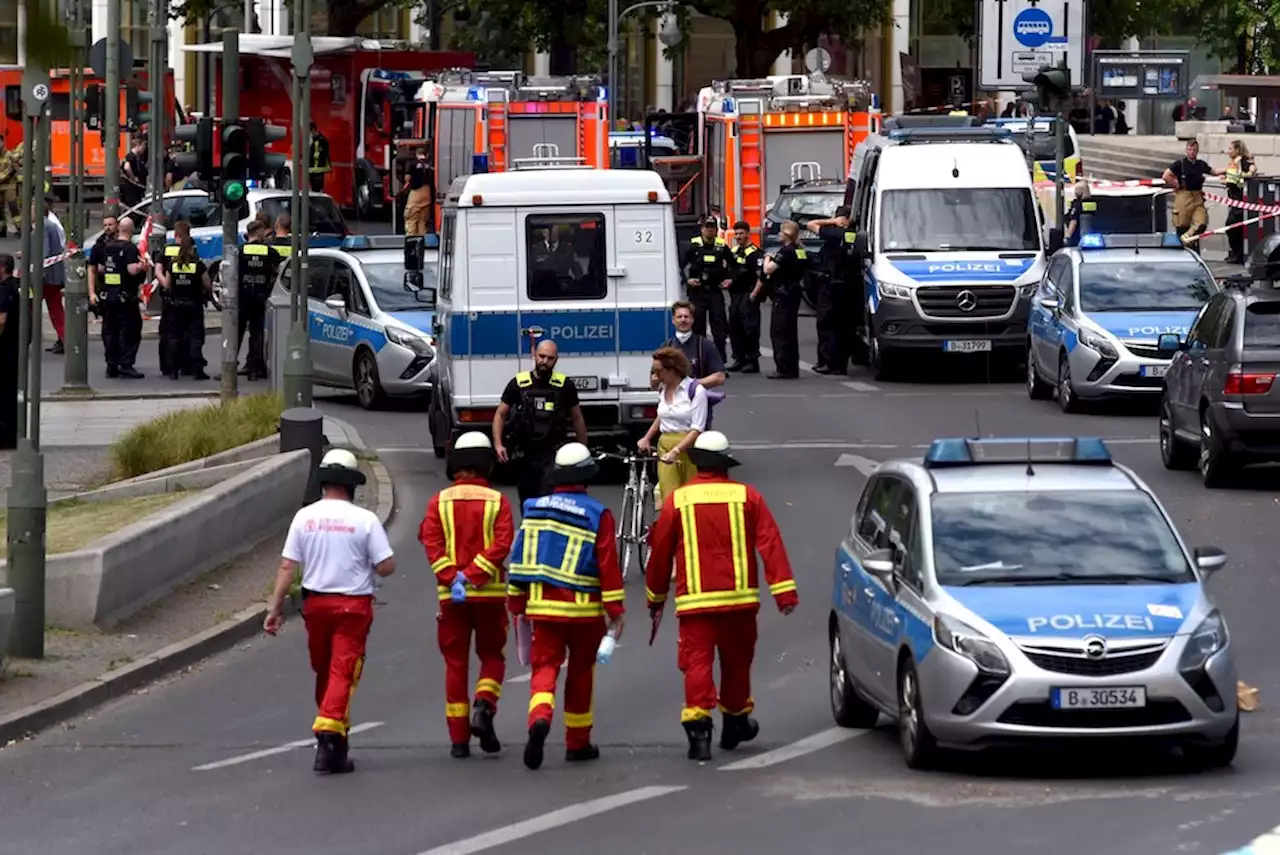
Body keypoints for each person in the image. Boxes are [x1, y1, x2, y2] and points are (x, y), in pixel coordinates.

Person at [644, 430, 798, 761]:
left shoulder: (679, 500)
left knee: (697, 664)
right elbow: (770, 543)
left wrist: (655, 597)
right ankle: (735, 722)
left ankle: (699, 735)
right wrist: (783, 593)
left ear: (698, 463)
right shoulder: (748, 497)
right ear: (726, 464)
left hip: (695, 603)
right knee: (737, 663)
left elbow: (659, 553)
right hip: (739, 601)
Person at [263, 449, 396, 775]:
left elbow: (286, 566)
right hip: (353, 606)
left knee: (325, 670)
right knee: (342, 671)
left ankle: (336, 739)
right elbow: (387, 565)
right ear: (351, 485)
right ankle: (328, 735)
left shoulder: (304, 517)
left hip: (316, 606)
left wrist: (274, 609)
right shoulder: (365, 520)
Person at [508, 442, 626, 770]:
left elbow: (519, 559)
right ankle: (577, 743)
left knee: (544, 669)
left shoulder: (534, 509)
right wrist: (615, 613)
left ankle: (539, 719)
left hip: (544, 608)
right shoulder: (598, 514)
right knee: (580, 673)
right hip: (585, 612)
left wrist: (517, 603)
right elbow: (608, 566)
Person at [418, 432, 515, 759]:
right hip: (489, 596)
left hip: (451, 598)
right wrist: (476, 574)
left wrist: (453, 577)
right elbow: (502, 544)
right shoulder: (498, 502)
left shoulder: (438, 501)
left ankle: (459, 740)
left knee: (455, 664)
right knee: (492, 657)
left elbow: (431, 543)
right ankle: (484, 706)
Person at [493, 340, 588, 502]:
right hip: (525, 454)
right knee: (527, 500)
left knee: (547, 498)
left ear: (556, 360)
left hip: (552, 454)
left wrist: (583, 450)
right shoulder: (519, 383)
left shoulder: (565, 385)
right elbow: (500, 414)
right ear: (534, 356)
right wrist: (498, 444)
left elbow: (577, 418)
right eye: (541, 356)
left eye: (549, 358)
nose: (544, 361)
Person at [637, 346, 707, 505]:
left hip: (688, 447)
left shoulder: (695, 390)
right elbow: (662, 416)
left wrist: (676, 451)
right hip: (665, 445)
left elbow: (697, 428)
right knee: (668, 498)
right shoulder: (664, 388)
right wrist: (647, 438)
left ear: (672, 369)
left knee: (689, 497)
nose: (655, 376)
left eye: (658, 371)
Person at [806, 205, 865, 373]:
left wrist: (832, 221)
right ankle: (840, 364)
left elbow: (811, 224)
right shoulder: (856, 235)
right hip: (851, 286)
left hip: (832, 285)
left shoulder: (835, 234)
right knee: (846, 327)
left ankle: (828, 362)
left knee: (826, 324)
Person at [88, 214, 147, 379]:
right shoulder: (129, 248)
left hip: (109, 296)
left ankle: (111, 364)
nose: (107, 228)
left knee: (110, 331)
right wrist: (142, 266)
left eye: (110, 224)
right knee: (130, 330)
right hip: (125, 297)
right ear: (131, 230)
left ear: (118, 228)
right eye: (105, 224)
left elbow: (99, 268)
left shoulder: (105, 247)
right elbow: (130, 270)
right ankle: (126, 364)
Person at [153, 221, 210, 381]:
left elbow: (159, 271)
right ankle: (192, 367)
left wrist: (166, 286)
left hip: (173, 302)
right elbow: (206, 282)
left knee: (171, 335)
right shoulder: (195, 259)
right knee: (194, 336)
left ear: (176, 234)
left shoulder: (168, 253)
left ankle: (170, 368)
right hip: (193, 303)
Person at [753, 221, 807, 380]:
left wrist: (768, 258)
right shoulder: (800, 251)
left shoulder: (786, 251)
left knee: (779, 332)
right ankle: (791, 367)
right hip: (794, 293)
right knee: (790, 332)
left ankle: (783, 367)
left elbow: (768, 269)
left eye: (781, 232)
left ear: (786, 234)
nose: (779, 235)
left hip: (783, 295)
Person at [681, 217, 733, 362]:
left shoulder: (721, 246)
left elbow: (734, 266)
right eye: (707, 227)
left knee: (720, 329)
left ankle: (720, 362)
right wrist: (687, 280)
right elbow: (680, 266)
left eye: (712, 227)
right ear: (702, 228)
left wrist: (729, 279)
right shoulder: (692, 246)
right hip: (698, 292)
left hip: (715, 291)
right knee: (698, 329)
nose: (710, 229)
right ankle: (699, 362)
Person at [237, 219, 280, 379]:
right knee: (256, 333)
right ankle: (254, 369)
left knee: (237, 332)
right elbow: (277, 272)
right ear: (260, 232)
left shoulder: (239, 251)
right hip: (260, 296)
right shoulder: (270, 252)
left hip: (241, 296)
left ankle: (230, 364)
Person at [1161, 140, 1225, 247]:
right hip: (1184, 196)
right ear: (1186, 150)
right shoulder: (1180, 164)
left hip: (1197, 197)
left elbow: (1214, 171)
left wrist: (1227, 170)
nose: (1192, 152)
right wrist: (1176, 184)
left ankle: (1187, 239)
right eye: (1190, 150)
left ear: (1197, 151)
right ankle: (1184, 246)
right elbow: (1166, 175)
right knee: (1182, 224)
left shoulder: (1201, 164)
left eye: (1194, 150)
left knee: (1201, 222)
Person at [663, 299, 726, 393]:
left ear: (692, 319)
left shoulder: (705, 345)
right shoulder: (665, 347)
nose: (683, 320)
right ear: (673, 320)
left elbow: (720, 377)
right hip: (673, 403)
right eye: (679, 317)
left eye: (686, 317)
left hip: (698, 401)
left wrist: (692, 385)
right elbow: (654, 379)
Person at [726, 222, 762, 374]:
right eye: (736, 234)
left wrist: (754, 294)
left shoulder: (755, 253)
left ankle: (751, 360)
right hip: (735, 295)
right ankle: (738, 358)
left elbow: (761, 276)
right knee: (735, 328)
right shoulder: (733, 251)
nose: (738, 237)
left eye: (741, 233)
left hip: (748, 294)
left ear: (748, 233)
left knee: (750, 328)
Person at [1224, 139, 1257, 265]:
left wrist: (1244, 175)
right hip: (1234, 199)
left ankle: (1238, 254)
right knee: (1235, 228)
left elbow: (1252, 169)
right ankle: (1236, 253)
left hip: (1240, 200)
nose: (1228, 151)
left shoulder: (1243, 160)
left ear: (1237, 150)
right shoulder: (1234, 162)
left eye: (1231, 149)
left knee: (1232, 227)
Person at [42, 196, 66, 354]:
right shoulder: (51, 222)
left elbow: (44, 252)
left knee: (27, 307)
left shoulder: (45, 225)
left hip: (46, 277)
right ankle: (65, 339)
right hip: (53, 275)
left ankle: (22, 338)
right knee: (56, 309)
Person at [0, 254, 18, 450]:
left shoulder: (4, 291)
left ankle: (4, 435)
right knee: (10, 393)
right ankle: (11, 435)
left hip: (4, 348)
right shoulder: (17, 286)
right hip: (14, 346)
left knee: (4, 394)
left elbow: (1, 320)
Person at [403, 145, 434, 237]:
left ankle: (411, 240)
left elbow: (407, 178)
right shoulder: (429, 164)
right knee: (422, 220)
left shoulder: (412, 163)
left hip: (416, 192)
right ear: (426, 155)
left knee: (411, 217)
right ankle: (421, 241)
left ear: (417, 154)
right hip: (427, 193)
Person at [120, 136, 148, 227]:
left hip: (136, 189)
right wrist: (133, 178)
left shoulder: (137, 157)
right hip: (132, 189)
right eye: (144, 145)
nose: (144, 148)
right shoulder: (131, 156)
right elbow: (127, 167)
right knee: (133, 208)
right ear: (138, 145)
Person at [1063, 181, 1095, 248]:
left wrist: (1067, 237)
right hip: (1090, 236)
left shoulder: (1077, 205)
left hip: (1077, 237)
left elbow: (1073, 221)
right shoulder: (1092, 203)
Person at [0, 138, 18, 238]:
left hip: (9, 186)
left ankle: (20, 229)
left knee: (13, 207)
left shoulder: (9, 155)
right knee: (0, 210)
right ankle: (2, 230)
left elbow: (11, 170)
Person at [308, 123, 331, 194]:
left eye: (310, 132)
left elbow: (321, 156)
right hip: (314, 171)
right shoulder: (315, 141)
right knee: (314, 190)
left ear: (313, 130)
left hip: (318, 171)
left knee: (317, 191)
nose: (310, 134)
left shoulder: (321, 141)